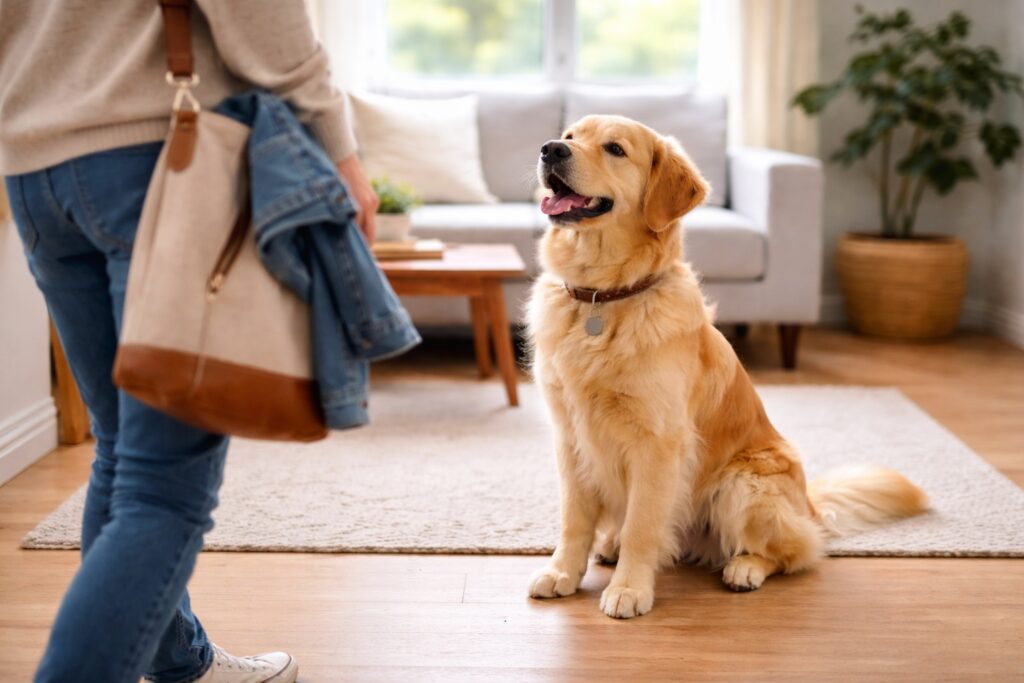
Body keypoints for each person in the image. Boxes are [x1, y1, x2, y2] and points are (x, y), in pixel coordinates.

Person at [0, 2, 378, 681]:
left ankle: (183, 664)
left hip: (33, 171)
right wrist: (339, 148)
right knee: (162, 491)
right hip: (155, 154)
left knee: (121, 450)